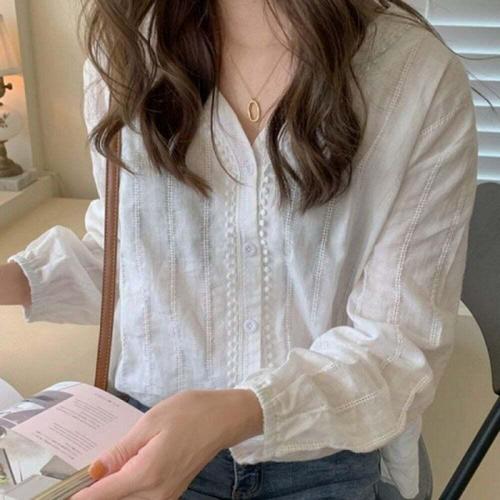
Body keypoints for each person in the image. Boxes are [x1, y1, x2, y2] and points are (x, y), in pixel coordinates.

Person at [0, 0, 479, 499]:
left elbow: (399, 347)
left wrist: (242, 412)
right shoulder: (125, 53)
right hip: (143, 440)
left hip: (320, 462)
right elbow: (130, 256)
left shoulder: (414, 78)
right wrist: (11, 280)